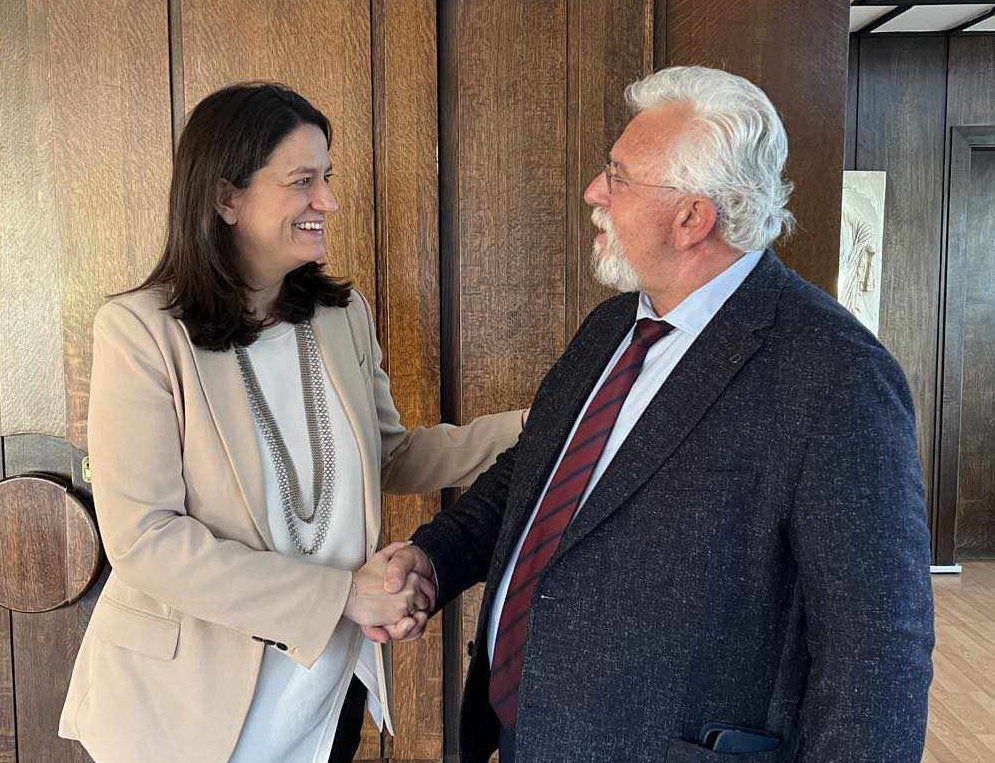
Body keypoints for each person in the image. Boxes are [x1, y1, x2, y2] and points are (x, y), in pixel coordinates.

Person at [370, 66, 935, 762]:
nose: (593, 192)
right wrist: (436, 557)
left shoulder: (836, 373)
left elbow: (878, 650)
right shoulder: (611, 327)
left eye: (619, 176)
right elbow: (534, 475)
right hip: (520, 735)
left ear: (693, 217)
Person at [58, 82, 525, 763]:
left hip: (323, 693)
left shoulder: (341, 316)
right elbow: (147, 540)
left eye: (327, 178)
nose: (327, 201)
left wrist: (548, 423)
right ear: (226, 198)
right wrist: (342, 596)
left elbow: (390, 455)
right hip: (182, 707)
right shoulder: (141, 331)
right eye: (303, 182)